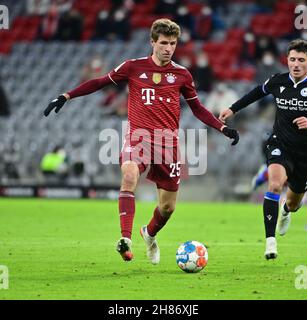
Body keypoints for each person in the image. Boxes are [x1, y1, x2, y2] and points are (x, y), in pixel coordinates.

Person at [44, 19, 239, 264]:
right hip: (139, 137)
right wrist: (67, 95)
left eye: (173, 44)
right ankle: (125, 238)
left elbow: (197, 108)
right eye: (164, 43)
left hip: (168, 144)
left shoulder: (182, 74)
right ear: (152, 42)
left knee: (167, 208)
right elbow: (100, 82)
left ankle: (149, 234)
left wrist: (222, 127)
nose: (169, 48)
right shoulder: (133, 67)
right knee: (128, 175)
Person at [219, 39, 307, 260]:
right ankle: (270, 242)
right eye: (292, 59)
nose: (296, 64)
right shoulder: (278, 81)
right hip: (281, 145)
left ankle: (286, 211)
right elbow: (257, 92)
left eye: (302, 60)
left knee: (294, 203)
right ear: (287, 60)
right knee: (275, 184)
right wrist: (233, 108)